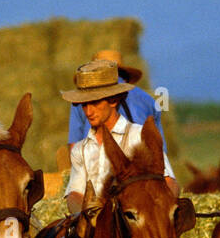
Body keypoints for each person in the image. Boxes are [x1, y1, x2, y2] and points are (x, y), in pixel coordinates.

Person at [61, 59, 177, 215]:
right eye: (84, 104)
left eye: (95, 102)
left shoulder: (140, 137)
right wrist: (87, 217)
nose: (88, 112)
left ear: (114, 100)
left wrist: (154, 214)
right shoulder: (80, 150)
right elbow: (75, 194)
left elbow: (169, 182)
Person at [66, 49, 168, 159]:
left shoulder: (82, 98)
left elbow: (74, 143)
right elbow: (160, 149)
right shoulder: (148, 100)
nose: (89, 110)